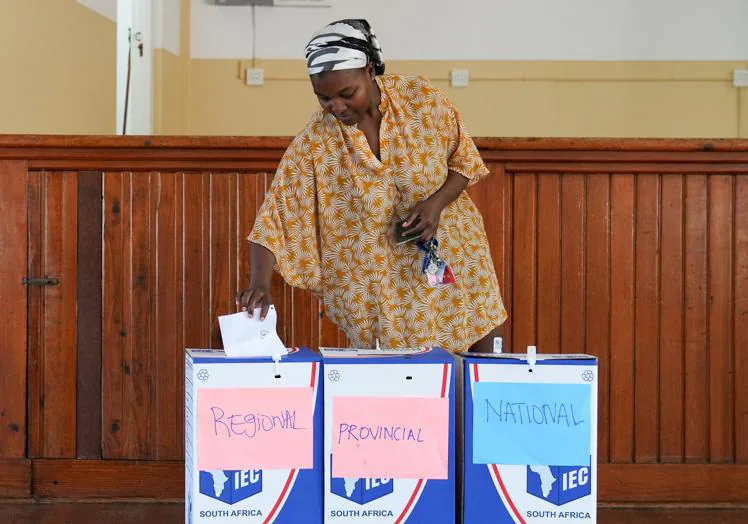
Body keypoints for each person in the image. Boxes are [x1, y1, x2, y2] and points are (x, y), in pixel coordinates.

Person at [236, 19, 507, 353]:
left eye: (347, 94)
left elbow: (463, 160)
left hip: (454, 260)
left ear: (368, 70)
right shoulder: (316, 142)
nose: (336, 107)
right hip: (385, 293)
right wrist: (259, 284)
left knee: (478, 372)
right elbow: (273, 220)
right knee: (406, 386)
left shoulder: (421, 101)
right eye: (324, 98)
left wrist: (435, 204)